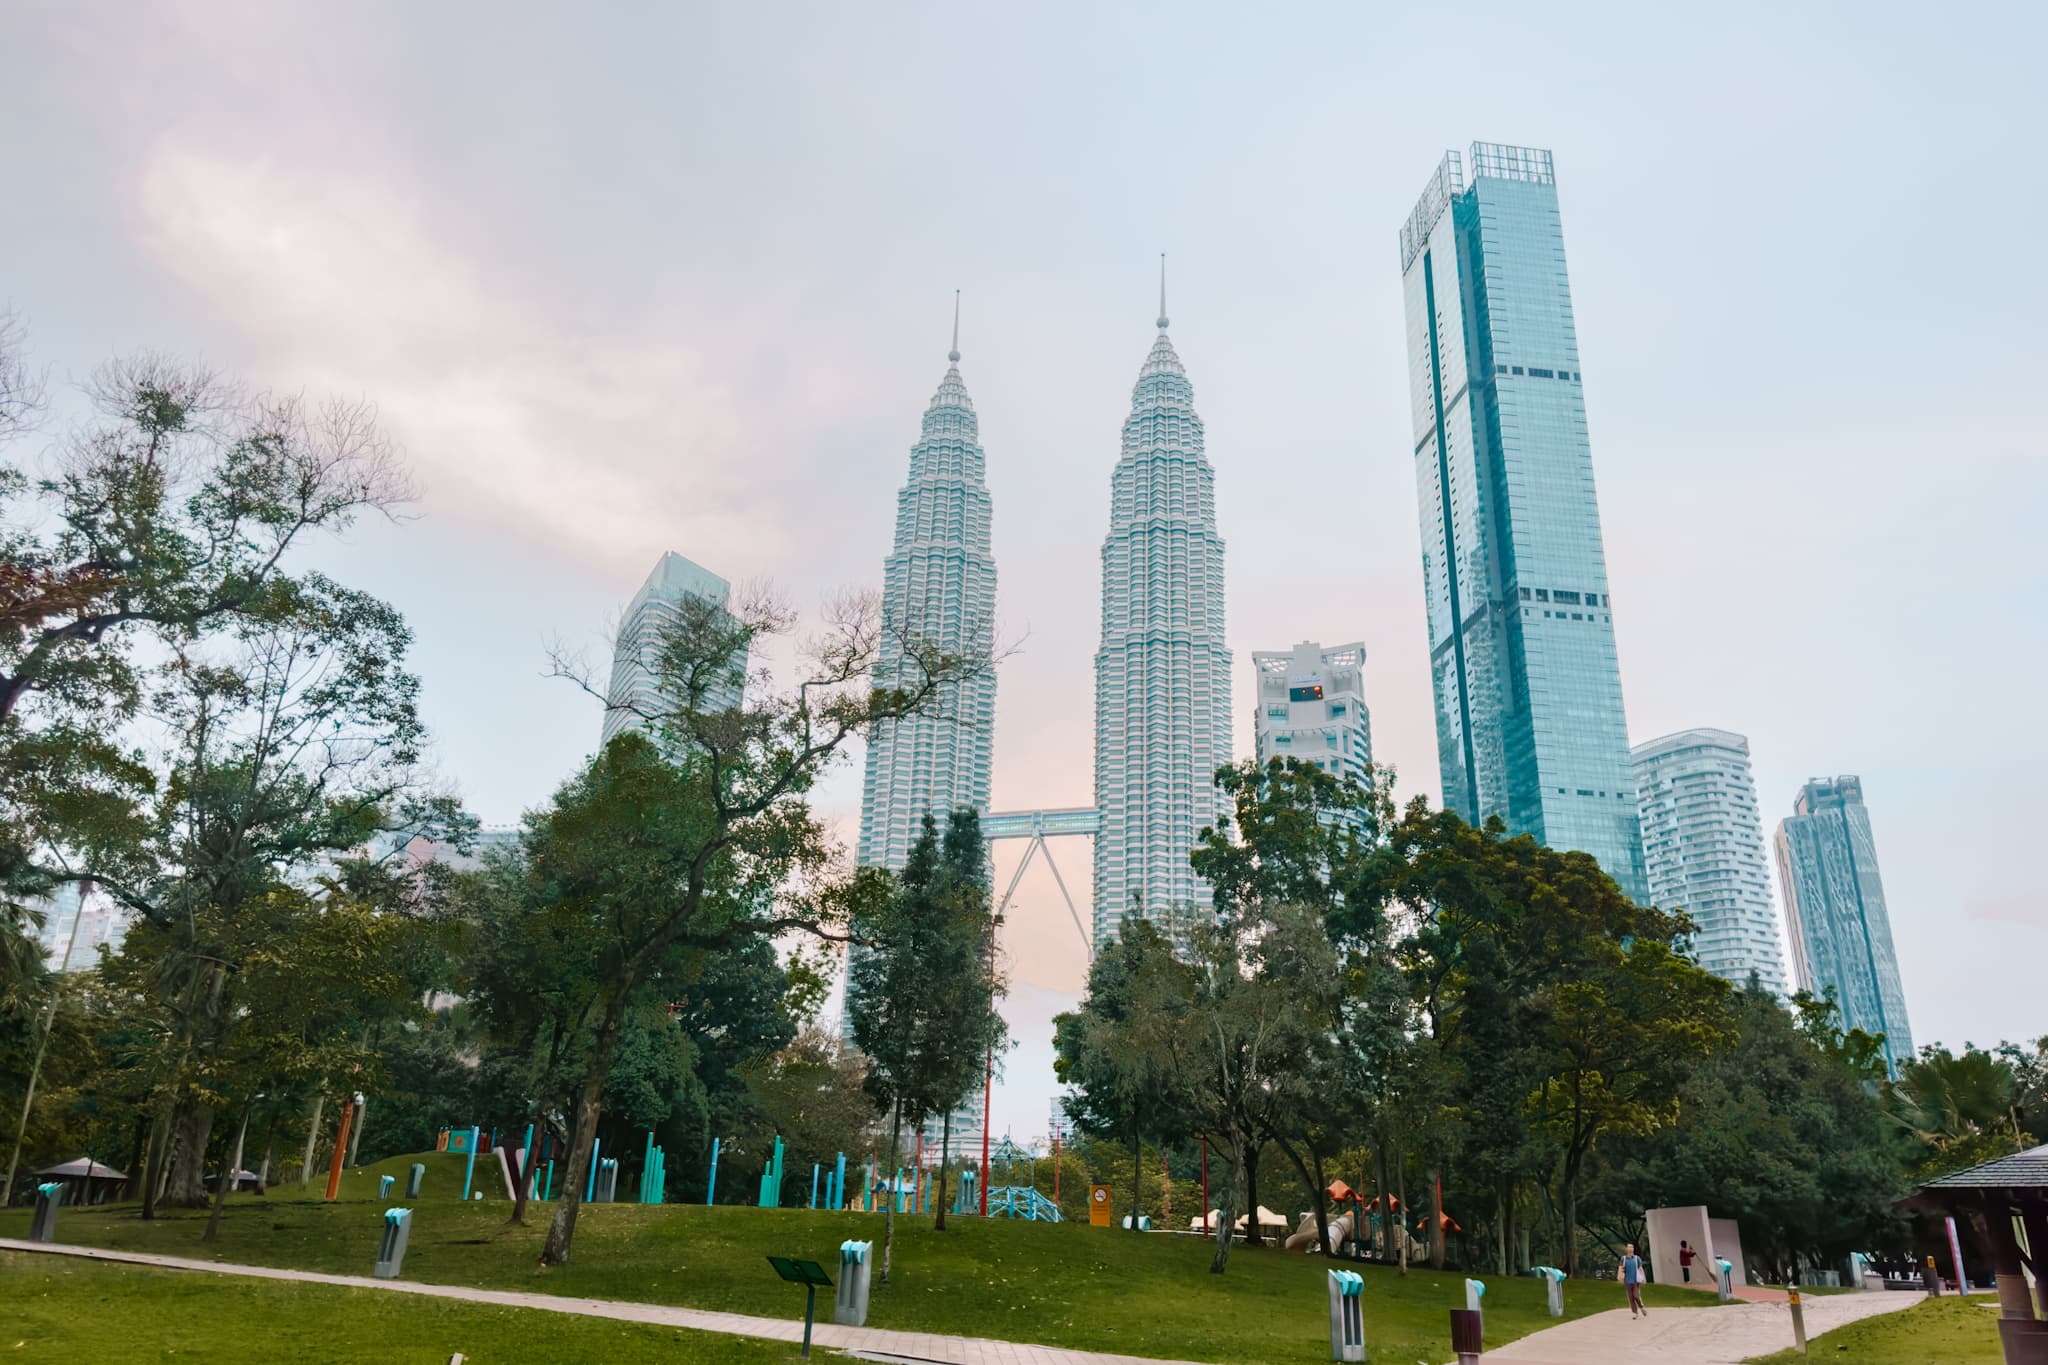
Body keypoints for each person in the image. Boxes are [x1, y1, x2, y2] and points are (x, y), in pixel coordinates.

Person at [1618, 1242, 1649, 1317]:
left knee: (1636, 1296)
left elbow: (1640, 1268)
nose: (1631, 1248)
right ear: (1626, 1249)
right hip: (1627, 1281)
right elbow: (1620, 1268)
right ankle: (1635, 1313)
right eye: (1629, 1247)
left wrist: (1644, 1278)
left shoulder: (1637, 1258)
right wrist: (1619, 1276)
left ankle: (1641, 1307)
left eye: (1632, 1247)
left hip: (1635, 1281)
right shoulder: (1624, 1259)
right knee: (1631, 1297)